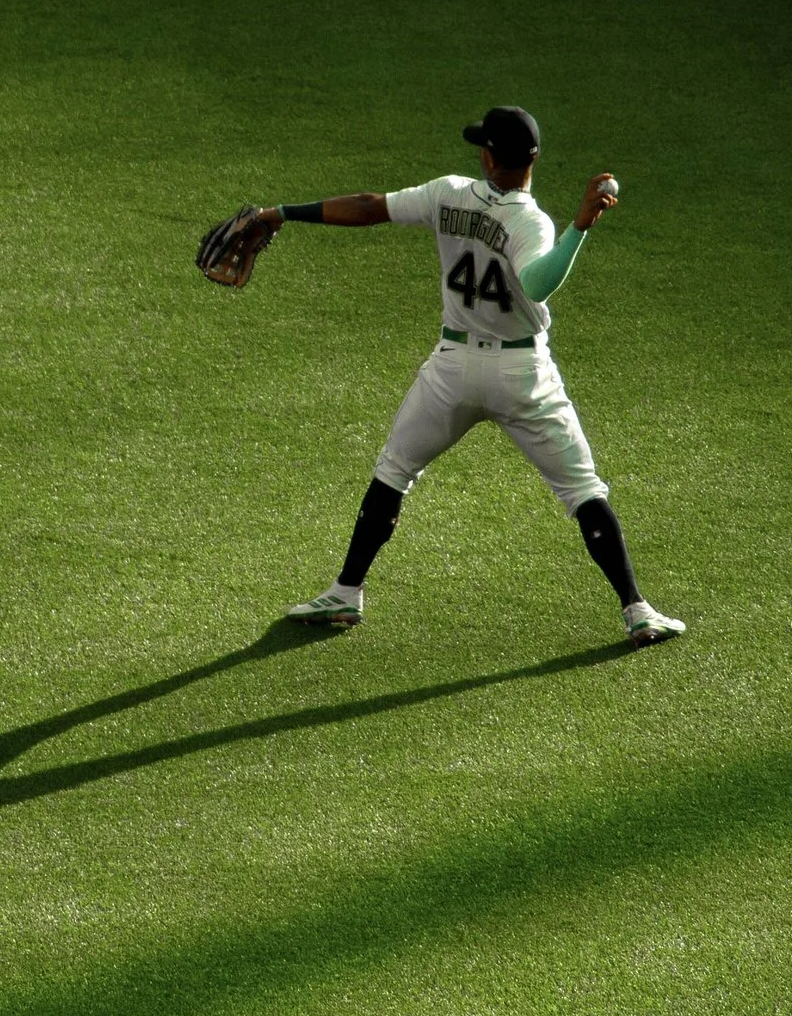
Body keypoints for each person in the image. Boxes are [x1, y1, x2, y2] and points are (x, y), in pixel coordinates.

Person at [264, 105, 685, 645]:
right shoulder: (531, 221)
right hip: (522, 373)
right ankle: (637, 609)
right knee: (583, 489)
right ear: (532, 161)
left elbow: (371, 207)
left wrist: (281, 212)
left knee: (394, 471)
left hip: (453, 369)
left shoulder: (449, 192)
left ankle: (346, 593)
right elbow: (536, 283)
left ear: (487, 157)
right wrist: (578, 228)